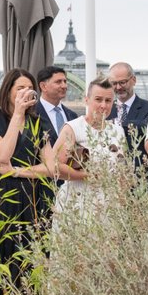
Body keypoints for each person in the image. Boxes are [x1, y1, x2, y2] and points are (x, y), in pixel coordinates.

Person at [0, 68, 56, 295]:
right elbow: (2, 154)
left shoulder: (36, 123)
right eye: (19, 88)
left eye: (28, 89)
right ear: (8, 90)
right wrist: (18, 115)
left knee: (29, 267)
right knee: (2, 267)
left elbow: (51, 168)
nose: (24, 93)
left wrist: (18, 171)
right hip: (2, 201)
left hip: (32, 200)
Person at [52, 77, 124, 214]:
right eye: (98, 99)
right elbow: (55, 166)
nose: (103, 105)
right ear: (87, 100)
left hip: (109, 207)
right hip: (77, 205)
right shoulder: (73, 128)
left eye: (108, 101)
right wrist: (87, 176)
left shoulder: (118, 131)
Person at [105, 62, 148, 154]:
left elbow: (145, 127)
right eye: (114, 83)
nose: (118, 87)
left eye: (122, 82)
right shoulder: (106, 109)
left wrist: (116, 123)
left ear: (134, 80)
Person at [35, 66, 77, 137]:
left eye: (65, 81)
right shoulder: (31, 114)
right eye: (58, 82)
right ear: (43, 86)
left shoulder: (73, 116)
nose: (64, 86)